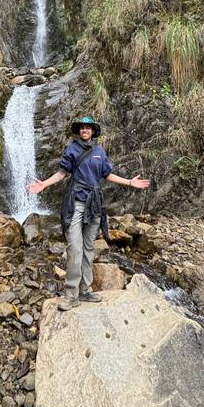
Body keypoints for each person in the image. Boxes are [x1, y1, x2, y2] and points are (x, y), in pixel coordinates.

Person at [28, 116, 150, 311]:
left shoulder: (99, 152)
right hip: (76, 203)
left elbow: (107, 174)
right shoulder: (72, 149)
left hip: (94, 206)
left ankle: (85, 290)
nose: (85, 131)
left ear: (93, 132)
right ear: (79, 131)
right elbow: (62, 173)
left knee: (88, 249)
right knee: (74, 248)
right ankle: (71, 295)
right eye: (82, 128)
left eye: (88, 128)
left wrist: (129, 182)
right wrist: (44, 184)